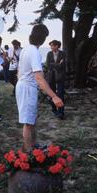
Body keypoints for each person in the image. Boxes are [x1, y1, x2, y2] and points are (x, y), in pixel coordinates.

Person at [16, 24, 64, 152]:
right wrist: (54, 96)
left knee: (31, 120)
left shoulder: (26, 49)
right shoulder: (34, 52)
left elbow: (20, 72)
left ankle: (34, 146)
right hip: (27, 88)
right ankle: (28, 153)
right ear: (42, 38)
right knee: (28, 122)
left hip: (24, 86)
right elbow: (39, 78)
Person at [46, 40, 66, 119]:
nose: (51, 47)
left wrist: (54, 65)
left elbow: (63, 65)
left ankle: (61, 112)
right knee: (52, 94)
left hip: (60, 77)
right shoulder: (49, 54)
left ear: (57, 46)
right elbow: (48, 65)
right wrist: (58, 64)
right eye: (50, 46)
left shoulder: (63, 54)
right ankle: (54, 110)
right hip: (51, 76)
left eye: (52, 45)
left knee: (61, 94)